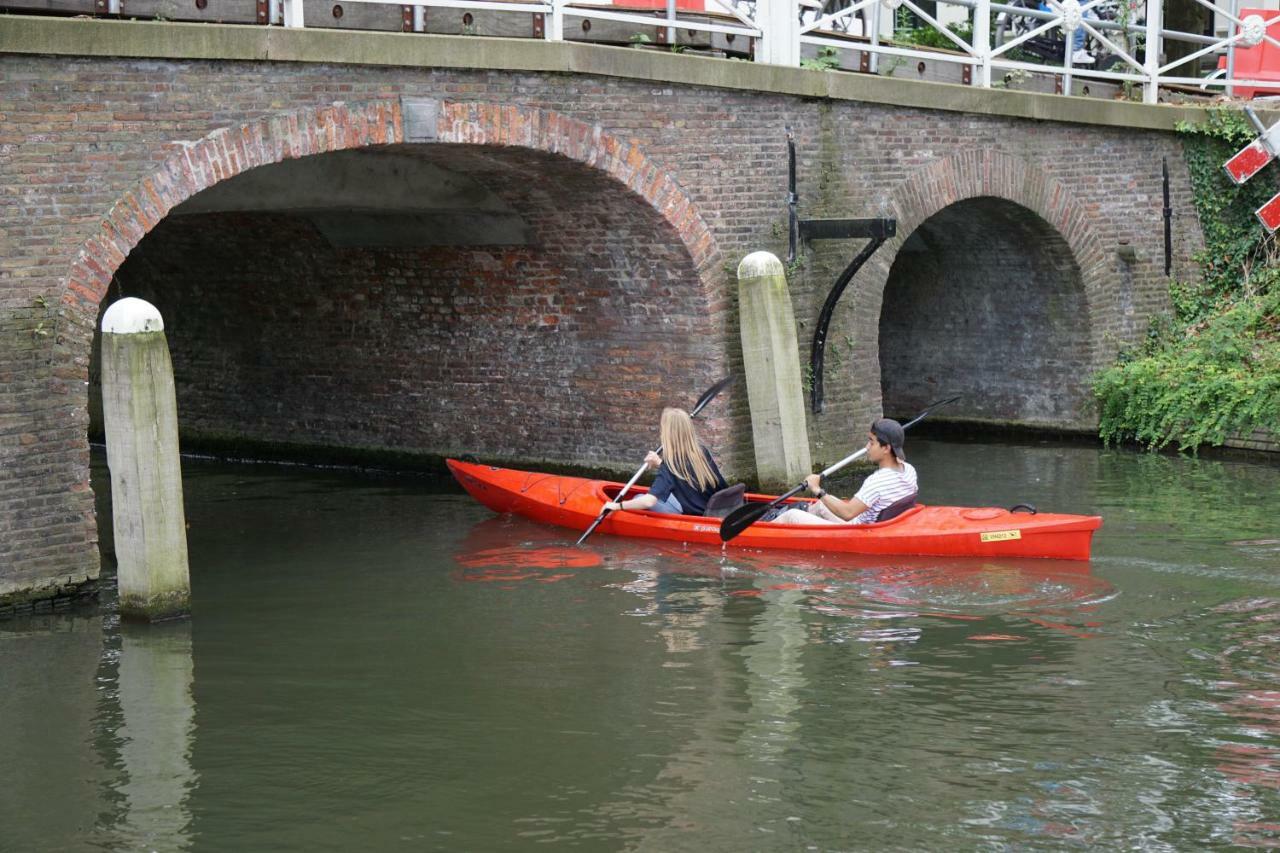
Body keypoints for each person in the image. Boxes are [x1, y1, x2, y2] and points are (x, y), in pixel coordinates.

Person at [773, 418, 917, 526]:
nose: (867, 447)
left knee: (791, 516)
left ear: (886, 448)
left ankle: (759, 531)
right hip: (870, 522)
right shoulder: (909, 470)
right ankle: (800, 531)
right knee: (821, 505)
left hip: (855, 531)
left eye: (872, 442)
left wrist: (817, 489)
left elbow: (847, 514)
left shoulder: (877, 481)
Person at [603, 407, 727, 517]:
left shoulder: (670, 464)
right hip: (714, 509)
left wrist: (618, 506)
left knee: (639, 498)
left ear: (668, 433)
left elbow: (649, 501)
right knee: (658, 495)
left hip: (695, 517)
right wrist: (660, 463)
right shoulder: (701, 451)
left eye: (662, 429)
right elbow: (683, 474)